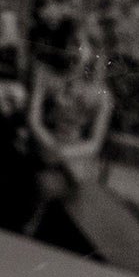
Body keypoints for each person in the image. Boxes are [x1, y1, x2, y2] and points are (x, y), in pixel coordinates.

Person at [23, 21, 113, 236]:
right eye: (71, 44)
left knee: (65, 188)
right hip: (43, 145)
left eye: (81, 46)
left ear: (94, 52)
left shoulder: (102, 95)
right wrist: (50, 146)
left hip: (72, 157)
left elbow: (94, 144)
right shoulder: (45, 74)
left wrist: (64, 153)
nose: (74, 51)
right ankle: (28, 230)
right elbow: (33, 120)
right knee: (40, 184)